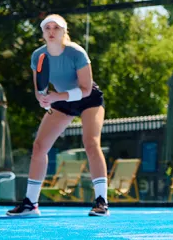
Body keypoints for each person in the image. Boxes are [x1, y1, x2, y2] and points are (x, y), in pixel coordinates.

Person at [7, 14, 110, 217]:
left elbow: (87, 89)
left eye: (56, 28)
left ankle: (102, 202)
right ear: (43, 33)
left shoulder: (76, 53)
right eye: (48, 28)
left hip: (88, 99)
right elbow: (39, 89)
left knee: (91, 143)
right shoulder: (38, 56)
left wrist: (56, 96)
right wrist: (43, 99)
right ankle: (30, 204)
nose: (52, 31)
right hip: (60, 100)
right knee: (39, 147)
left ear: (64, 32)